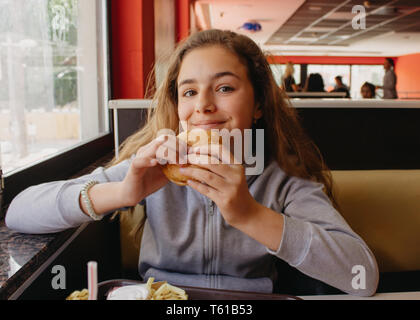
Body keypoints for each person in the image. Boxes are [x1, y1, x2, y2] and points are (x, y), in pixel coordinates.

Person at [5, 29, 378, 296]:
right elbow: (18, 212)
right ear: (179, 108)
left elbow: (362, 276)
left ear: (259, 105)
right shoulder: (154, 167)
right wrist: (122, 191)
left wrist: (248, 214)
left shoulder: (282, 181)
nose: (203, 105)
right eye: (189, 92)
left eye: (225, 88)